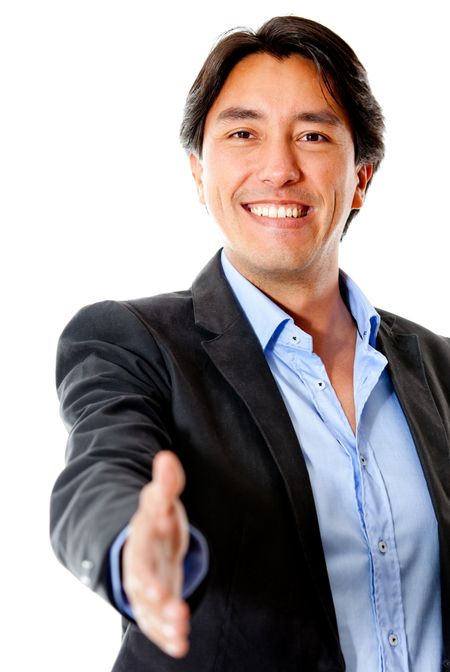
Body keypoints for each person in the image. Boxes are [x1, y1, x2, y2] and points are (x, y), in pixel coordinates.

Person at [50, 15, 450, 672]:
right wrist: (133, 544)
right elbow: (99, 469)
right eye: (243, 133)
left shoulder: (440, 368)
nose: (279, 168)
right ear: (197, 171)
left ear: (362, 177)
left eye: (314, 135)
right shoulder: (132, 342)